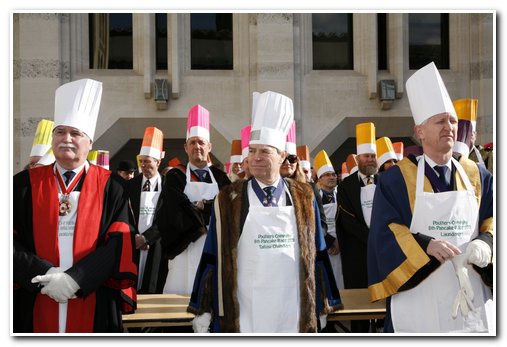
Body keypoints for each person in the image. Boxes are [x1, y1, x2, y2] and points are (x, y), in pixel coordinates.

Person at [187, 91, 342, 333]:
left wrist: (322, 303)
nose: (256, 158)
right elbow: (212, 254)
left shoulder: (303, 196)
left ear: (281, 156)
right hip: (246, 306)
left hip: (293, 304)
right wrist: (203, 307)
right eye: (252, 151)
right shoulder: (228, 198)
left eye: (265, 151)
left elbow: (318, 251)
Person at [368, 62, 494, 333]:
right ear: (420, 131)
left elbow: (494, 219)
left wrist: (487, 242)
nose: (449, 127)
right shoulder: (395, 180)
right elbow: (384, 232)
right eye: (439, 121)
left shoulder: (478, 175)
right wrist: (424, 245)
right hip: (419, 295)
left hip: (472, 292)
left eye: (451, 120)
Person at [13, 78, 137, 333]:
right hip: (34, 295)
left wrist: (75, 280)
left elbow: (118, 244)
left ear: (89, 142)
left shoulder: (112, 186)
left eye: (75, 133)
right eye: (60, 131)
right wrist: (44, 275)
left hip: (93, 296)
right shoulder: (23, 184)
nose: (66, 139)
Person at [158, 104, 230, 295]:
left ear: (209, 147)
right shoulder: (176, 176)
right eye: (193, 142)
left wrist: (204, 207)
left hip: (214, 244)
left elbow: (228, 203)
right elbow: (176, 207)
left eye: (201, 142)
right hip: (184, 246)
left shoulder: (221, 177)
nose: (197, 147)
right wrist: (204, 221)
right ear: (185, 147)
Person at [336, 122, 379, 333]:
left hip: (382, 249)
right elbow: (347, 219)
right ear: (358, 158)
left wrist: (381, 238)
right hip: (357, 251)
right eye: (366, 156)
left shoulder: (385, 181)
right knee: (359, 296)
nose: (370, 159)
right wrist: (371, 238)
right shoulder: (346, 185)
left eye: (373, 156)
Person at [127, 127, 168, 295]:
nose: (143, 165)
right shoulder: (131, 185)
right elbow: (124, 214)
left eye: (147, 161)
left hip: (157, 245)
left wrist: (147, 237)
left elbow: (168, 216)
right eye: (141, 161)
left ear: (158, 162)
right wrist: (135, 238)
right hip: (133, 244)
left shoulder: (168, 185)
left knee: (153, 285)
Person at [314, 150, 344, 291]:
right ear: (319, 179)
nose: (331, 177)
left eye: (333, 174)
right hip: (325, 242)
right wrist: (330, 240)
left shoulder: (343, 195)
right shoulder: (315, 198)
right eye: (326, 175)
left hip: (343, 241)